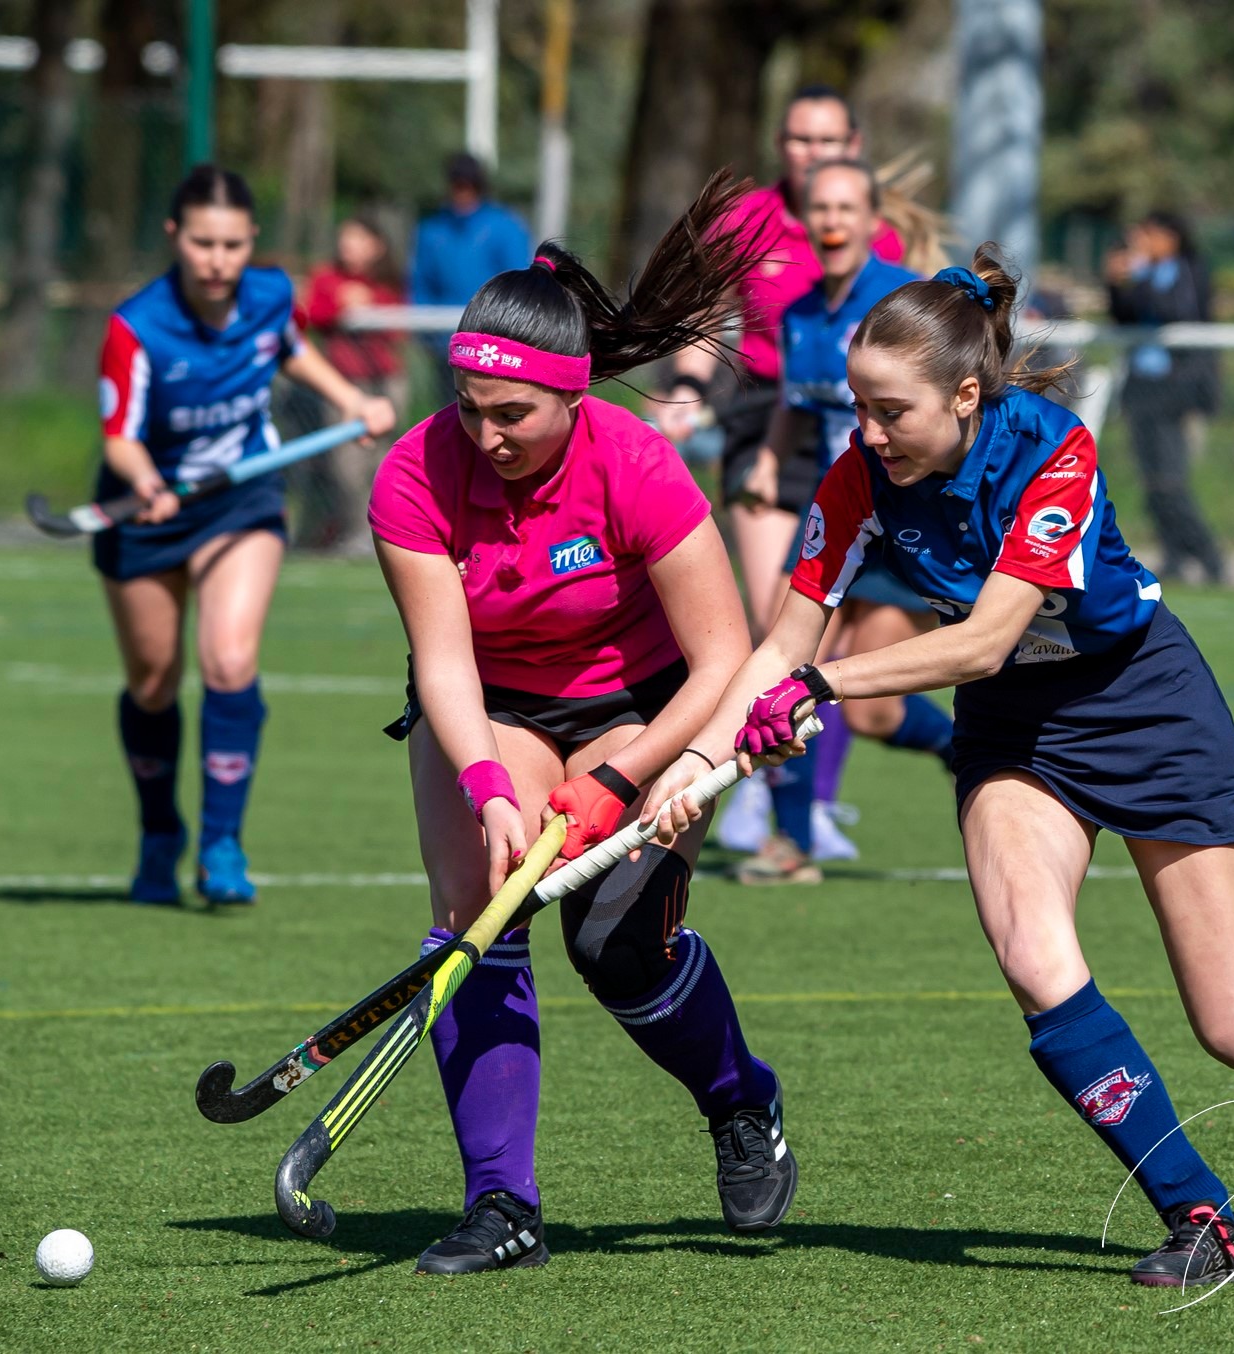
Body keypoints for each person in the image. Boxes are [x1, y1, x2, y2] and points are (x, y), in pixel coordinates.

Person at [643, 248, 1234, 1288]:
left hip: (1143, 703)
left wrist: (828, 687)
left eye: (889, 411)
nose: (866, 433)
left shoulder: (1054, 449)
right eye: (858, 407)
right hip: (1015, 730)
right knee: (1032, 955)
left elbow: (984, 639)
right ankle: (1203, 1217)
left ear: (965, 394)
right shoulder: (861, 474)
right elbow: (782, 645)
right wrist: (693, 764)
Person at [369, 171, 796, 1275]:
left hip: (643, 700)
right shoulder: (414, 474)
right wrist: (488, 788)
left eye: (513, 414)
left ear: (571, 398)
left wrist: (632, 772)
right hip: (495, 703)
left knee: (614, 940)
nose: (489, 433)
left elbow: (725, 658)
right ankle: (502, 1204)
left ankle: (740, 1100)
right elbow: (445, 661)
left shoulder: (638, 464)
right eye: (471, 408)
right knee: (475, 915)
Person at [95, 165, 397, 905]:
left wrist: (352, 399)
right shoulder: (136, 326)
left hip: (244, 495)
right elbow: (119, 438)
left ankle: (222, 843)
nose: (218, 261)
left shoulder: (267, 296)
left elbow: (289, 349)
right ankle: (160, 831)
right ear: (176, 237)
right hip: (150, 507)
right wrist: (146, 483)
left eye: (232, 244)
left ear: (250, 242)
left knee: (229, 659)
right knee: (155, 682)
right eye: (202, 243)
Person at [643, 86, 905, 856]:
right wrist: (689, 389)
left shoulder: (872, 237)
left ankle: (808, 802)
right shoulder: (748, 222)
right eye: (798, 138)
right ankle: (763, 795)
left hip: (852, 424)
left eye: (827, 140)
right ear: (781, 143)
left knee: (837, 647)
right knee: (778, 620)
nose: (812, 153)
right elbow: (704, 317)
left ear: (852, 144)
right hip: (770, 415)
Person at [735, 158, 955, 884]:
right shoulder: (799, 315)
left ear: (871, 222)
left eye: (845, 208)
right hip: (839, 510)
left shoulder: (902, 302)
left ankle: (963, 749)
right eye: (819, 209)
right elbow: (794, 406)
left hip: (910, 517)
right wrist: (770, 462)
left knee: (873, 713)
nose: (831, 221)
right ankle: (790, 842)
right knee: (785, 662)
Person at [1105, 211, 1224, 584]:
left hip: (1176, 388)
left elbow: (1176, 311)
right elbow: (1123, 315)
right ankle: (1173, 554)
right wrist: (1115, 282)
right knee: (1152, 481)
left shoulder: (1186, 270)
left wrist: (1138, 274)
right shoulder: (1143, 275)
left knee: (1171, 479)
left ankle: (1208, 555)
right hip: (1143, 386)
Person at [296, 215, 411, 548]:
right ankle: (356, 532)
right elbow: (308, 314)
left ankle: (389, 533)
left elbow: (401, 325)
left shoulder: (390, 282)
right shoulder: (327, 278)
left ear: (377, 246)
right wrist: (341, 304)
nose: (349, 246)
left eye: (358, 239)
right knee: (345, 466)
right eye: (345, 239)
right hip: (344, 384)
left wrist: (371, 303)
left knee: (386, 462)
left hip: (386, 381)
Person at [409, 152, 532, 372]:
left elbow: (518, 281)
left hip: (494, 343)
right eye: (458, 185)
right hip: (446, 342)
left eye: (469, 186)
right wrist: (426, 329)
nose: (463, 193)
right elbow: (421, 281)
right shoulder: (432, 230)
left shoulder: (505, 226)